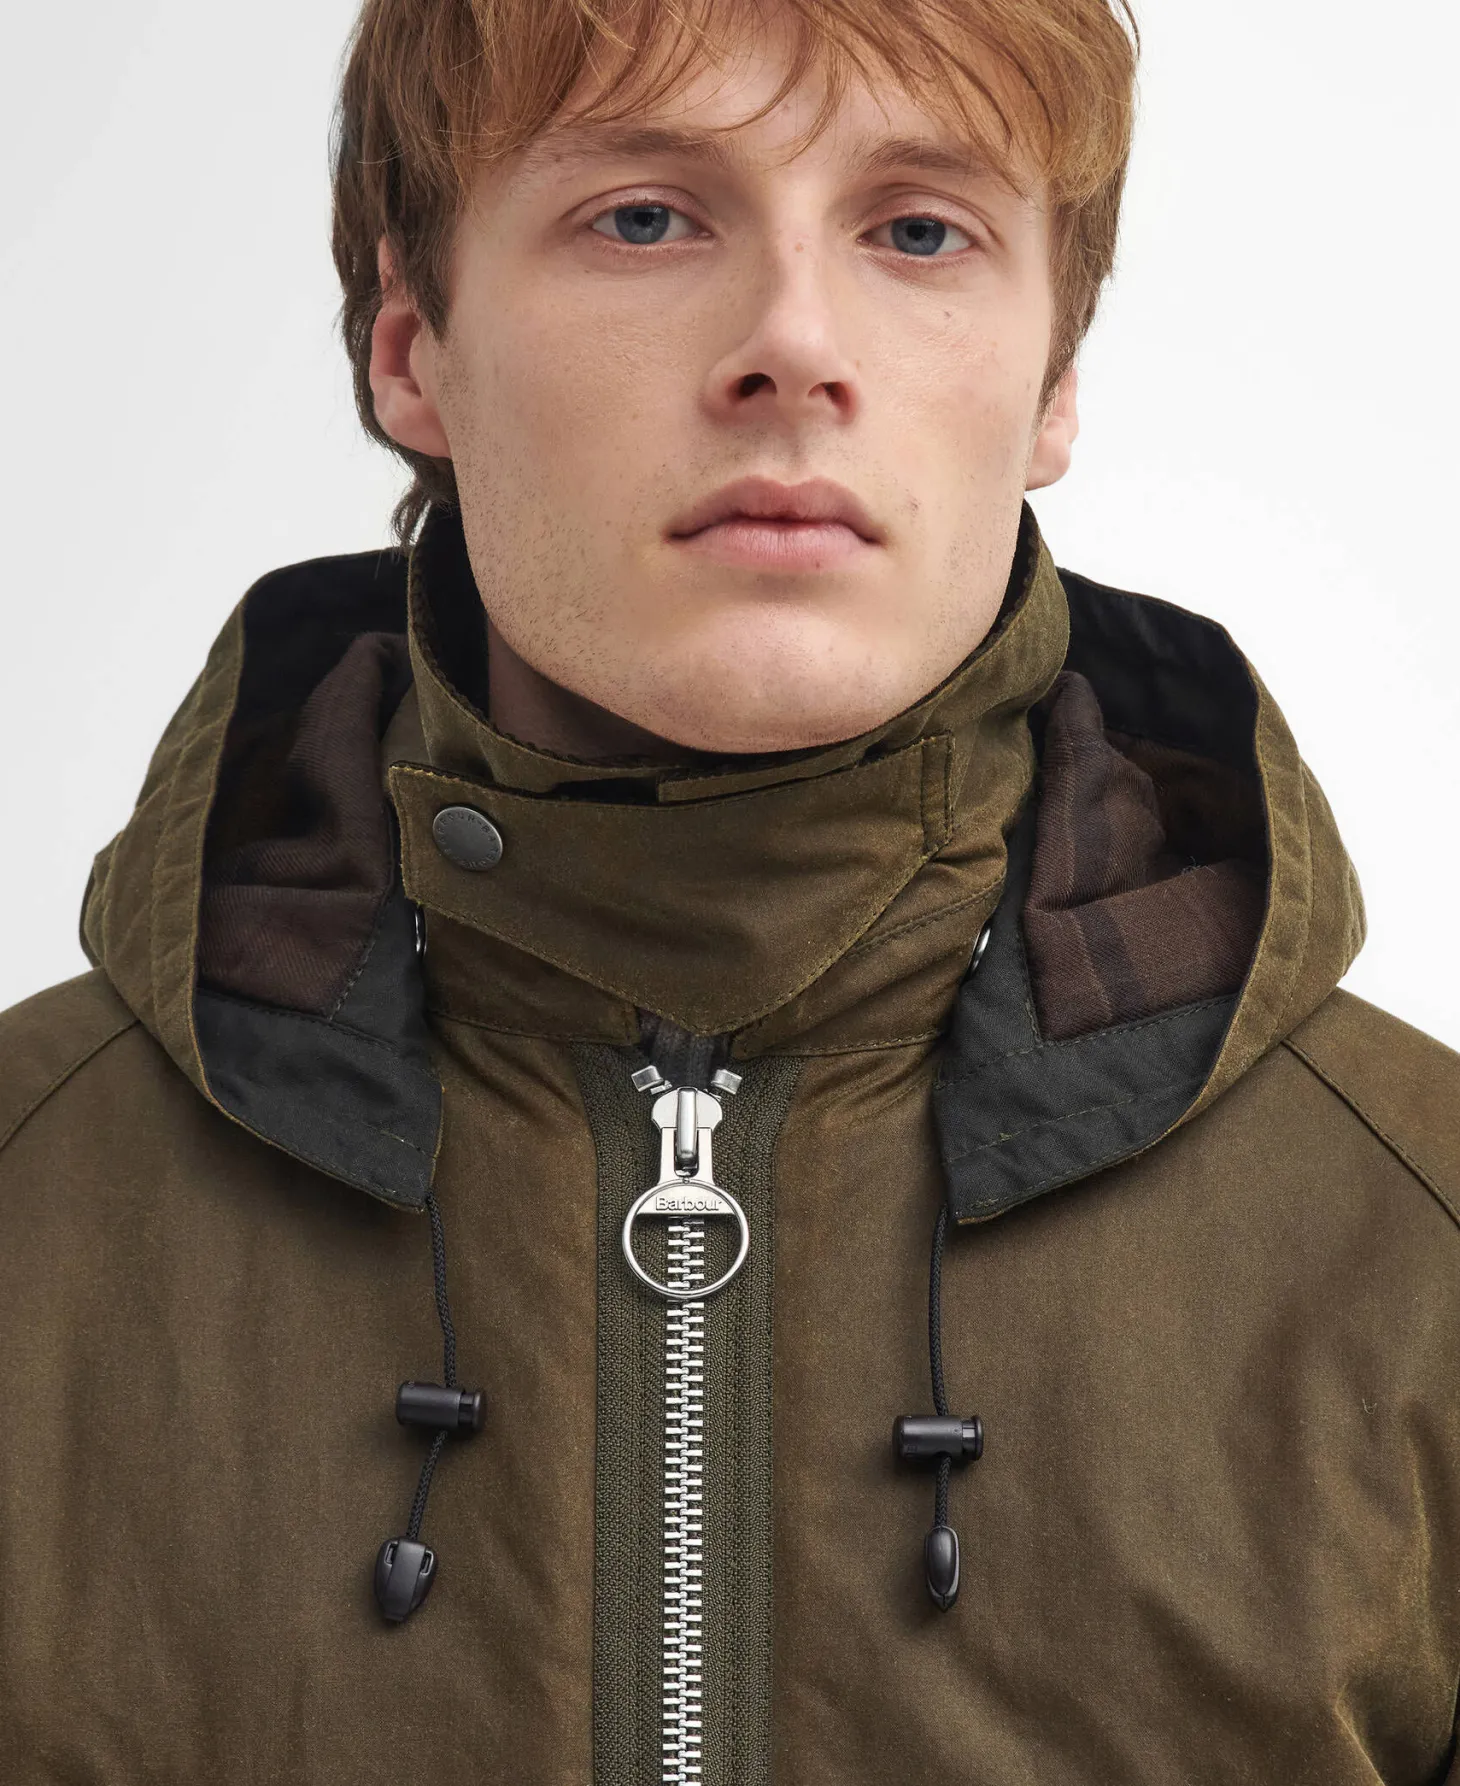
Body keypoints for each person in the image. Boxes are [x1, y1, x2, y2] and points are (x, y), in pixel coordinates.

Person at [2, 0, 1457, 1779]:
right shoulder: (30, 1214)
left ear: (1055, 377)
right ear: (410, 346)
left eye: (918, 230)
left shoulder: (1423, 1254)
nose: (794, 343)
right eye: (645, 217)